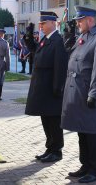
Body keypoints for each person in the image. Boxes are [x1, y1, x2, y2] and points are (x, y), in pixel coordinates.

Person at [61, 6, 96, 183]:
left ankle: (95, 170)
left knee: (93, 131)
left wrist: (94, 93)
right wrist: (68, 35)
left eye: (80, 21)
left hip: (88, 92)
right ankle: (85, 165)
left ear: (90, 20)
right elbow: (70, 52)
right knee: (82, 130)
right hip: (77, 90)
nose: (78, 23)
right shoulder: (84, 36)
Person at [25, 11, 68, 163]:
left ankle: (56, 151)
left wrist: (58, 87)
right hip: (43, 88)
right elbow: (35, 50)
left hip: (52, 89)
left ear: (53, 23)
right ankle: (50, 148)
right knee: (46, 120)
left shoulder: (58, 40)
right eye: (40, 24)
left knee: (54, 123)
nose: (41, 26)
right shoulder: (46, 39)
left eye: (43, 23)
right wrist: (29, 37)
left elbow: (60, 66)